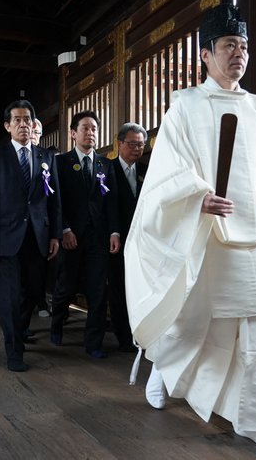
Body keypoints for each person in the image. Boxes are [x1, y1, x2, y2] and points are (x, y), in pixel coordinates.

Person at [124, 4, 256, 452]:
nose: (238, 54)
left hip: (255, 236)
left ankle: (252, 418)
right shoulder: (184, 108)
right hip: (207, 233)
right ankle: (163, 368)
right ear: (205, 54)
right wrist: (197, 196)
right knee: (190, 322)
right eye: (228, 46)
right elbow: (167, 170)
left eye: (243, 47)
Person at [0, 100, 60, 372]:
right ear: (7, 125)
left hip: (38, 236)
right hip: (5, 238)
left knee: (36, 290)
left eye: (28, 119)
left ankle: (21, 328)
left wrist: (55, 234)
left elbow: (54, 200)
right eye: (17, 120)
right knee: (10, 295)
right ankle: (14, 350)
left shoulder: (45, 157)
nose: (23, 124)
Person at [49, 111, 120, 359]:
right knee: (65, 287)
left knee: (98, 291)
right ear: (73, 133)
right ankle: (56, 324)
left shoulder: (105, 164)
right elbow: (56, 202)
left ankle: (94, 344)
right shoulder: (60, 163)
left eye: (94, 129)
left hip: (98, 238)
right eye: (85, 128)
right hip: (72, 237)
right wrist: (64, 229)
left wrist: (114, 231)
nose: (90, 133)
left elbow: (111, 202)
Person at [108, 123, 148, 352]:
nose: (136, 149)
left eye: (140, 144)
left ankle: (140, 332)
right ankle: (123, 335)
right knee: (119, 286)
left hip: (144, 241)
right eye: (132, 144)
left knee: (140, 287)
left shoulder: (147, 170)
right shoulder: (106, 168)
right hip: (117, 238)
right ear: (119, 143)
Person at [30, 118, 51, 319]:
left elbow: (55, 198)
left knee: (39, 272)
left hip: (41, 227)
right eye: (31, 131)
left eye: (37, 133)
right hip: (16, 227)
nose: (33, 135)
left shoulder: (48, 158)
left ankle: (41, 300)